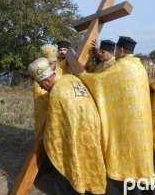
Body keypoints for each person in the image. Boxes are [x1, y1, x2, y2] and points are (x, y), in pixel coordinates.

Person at [79, 36, 155, 195]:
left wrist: (81, 75)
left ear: (121, 51)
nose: (116, 52)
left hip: (126, 124)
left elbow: (99, 82)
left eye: (116, 50)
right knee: (140, 159)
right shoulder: (139, 67)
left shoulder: (121, 66)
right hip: (141, 124)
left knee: (125, 158)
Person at [28, 57, 106, 194]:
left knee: (66, 161)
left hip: (76, 134)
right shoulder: (70, 79)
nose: (40, 87)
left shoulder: (57, 93)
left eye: (40, 84)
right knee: (89, 161)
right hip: (91, 129)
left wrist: (46, 139)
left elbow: (55, 128)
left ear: (47, 80)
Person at [33, 44, 63, 137]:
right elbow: (40, 94)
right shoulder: (41, 76)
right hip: (45, 110)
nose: (49, 67)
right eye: (47, 64)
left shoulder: (62, 69)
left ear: (56, 62)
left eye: (51, 64)